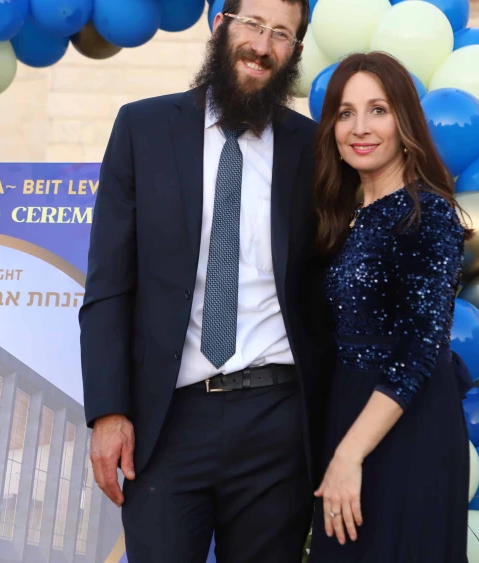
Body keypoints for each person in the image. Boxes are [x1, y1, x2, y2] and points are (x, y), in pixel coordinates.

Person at [78, 0, 331, 561]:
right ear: (221, 26)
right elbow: (109, 286)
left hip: (278, 421)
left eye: (282, 35)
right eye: (253, 26)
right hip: (165, 423)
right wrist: (108, 410)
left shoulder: (313, 149)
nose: (263, 47)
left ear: (295, 52)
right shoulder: (142, 128)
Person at [306, 51, 474, 562]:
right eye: (345, 112)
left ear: (404, 121)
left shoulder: (428, 215)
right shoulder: (347, 215)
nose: (360, 127)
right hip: (349, 414)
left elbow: (421, 348)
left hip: (407, 428)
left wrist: (348, 454)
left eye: (377, 110)